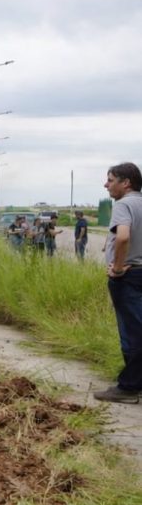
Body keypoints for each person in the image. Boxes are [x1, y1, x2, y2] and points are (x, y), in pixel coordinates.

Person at [95, 162, 142, 403]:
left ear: (126, 183)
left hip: (129, 277)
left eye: (111, 180)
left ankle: (129, 388)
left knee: (132, 333)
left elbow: (123, 237)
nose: (106, 185)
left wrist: (118, 267)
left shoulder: (124, 204)